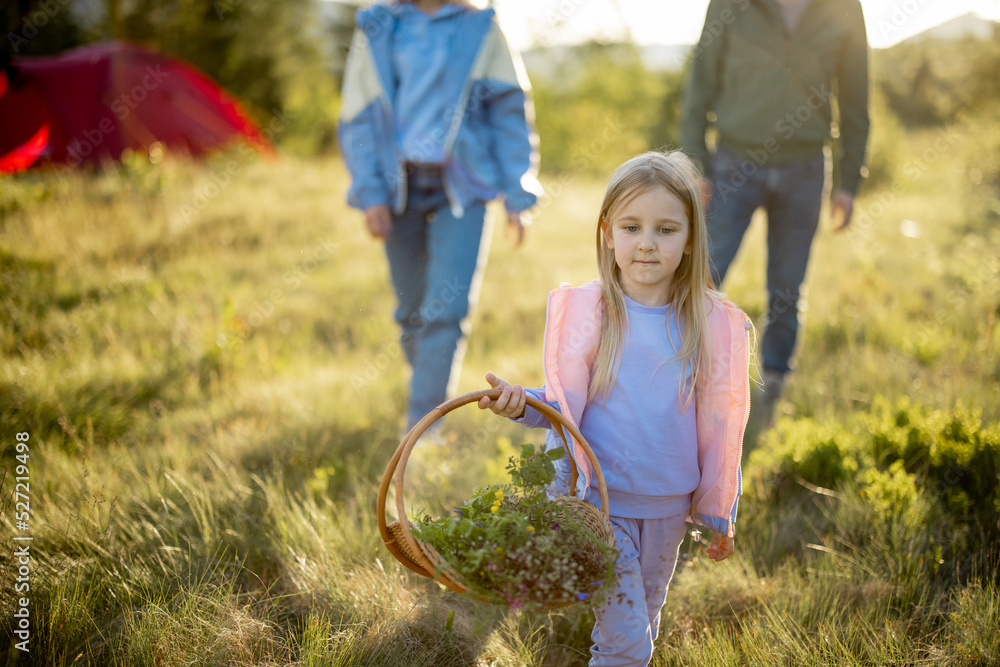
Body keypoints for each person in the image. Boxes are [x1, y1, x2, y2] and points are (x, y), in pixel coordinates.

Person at [478, 151, 751, 666]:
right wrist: (520, 405)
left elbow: (720, 425)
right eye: (632, 226)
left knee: (644, 617)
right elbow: (564, 405)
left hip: (670, 504)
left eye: (666, 229)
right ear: (608, 232)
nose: (647, 242)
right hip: (602, 506)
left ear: (691, 238)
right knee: (627, 642)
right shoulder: (594, 313)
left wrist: (719, 507)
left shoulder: (705, 323)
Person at [338, 0, 541, 430]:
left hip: (462, 188)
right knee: (411, 312)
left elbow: (508, 111)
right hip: (399, 188)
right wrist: (371, 192)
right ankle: (428, 392)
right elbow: (359, 113)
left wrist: (517, 194)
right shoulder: (376, 25)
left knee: (445, 311)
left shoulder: (481, 26)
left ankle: (424, 427)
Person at [679, 0, 870, 433]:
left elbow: (857, 96)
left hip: (806, 167)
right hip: (732, 163)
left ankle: (774, 389)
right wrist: (696, 162)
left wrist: (848, 180)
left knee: (787, 285)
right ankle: (680, 376)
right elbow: (700, 81)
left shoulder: (844, 7)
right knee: (702, 276)